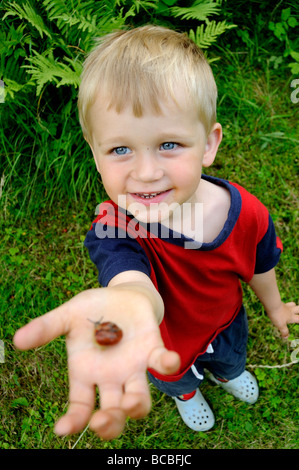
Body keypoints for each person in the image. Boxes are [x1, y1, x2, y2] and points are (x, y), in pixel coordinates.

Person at [13, 25, 299, 440]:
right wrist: (133, 306)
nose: (146, 173)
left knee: (232, 361)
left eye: (168, 144)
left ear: (208, 144)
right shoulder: (114, 227)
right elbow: (129, 278)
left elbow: (259, 264)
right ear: (95, 155)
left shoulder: (248, 212)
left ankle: (224, 376)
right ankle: (186, 396)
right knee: (177, 379)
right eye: (120, 149)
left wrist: (273, 307)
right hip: (167, 344)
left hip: (226, 322)